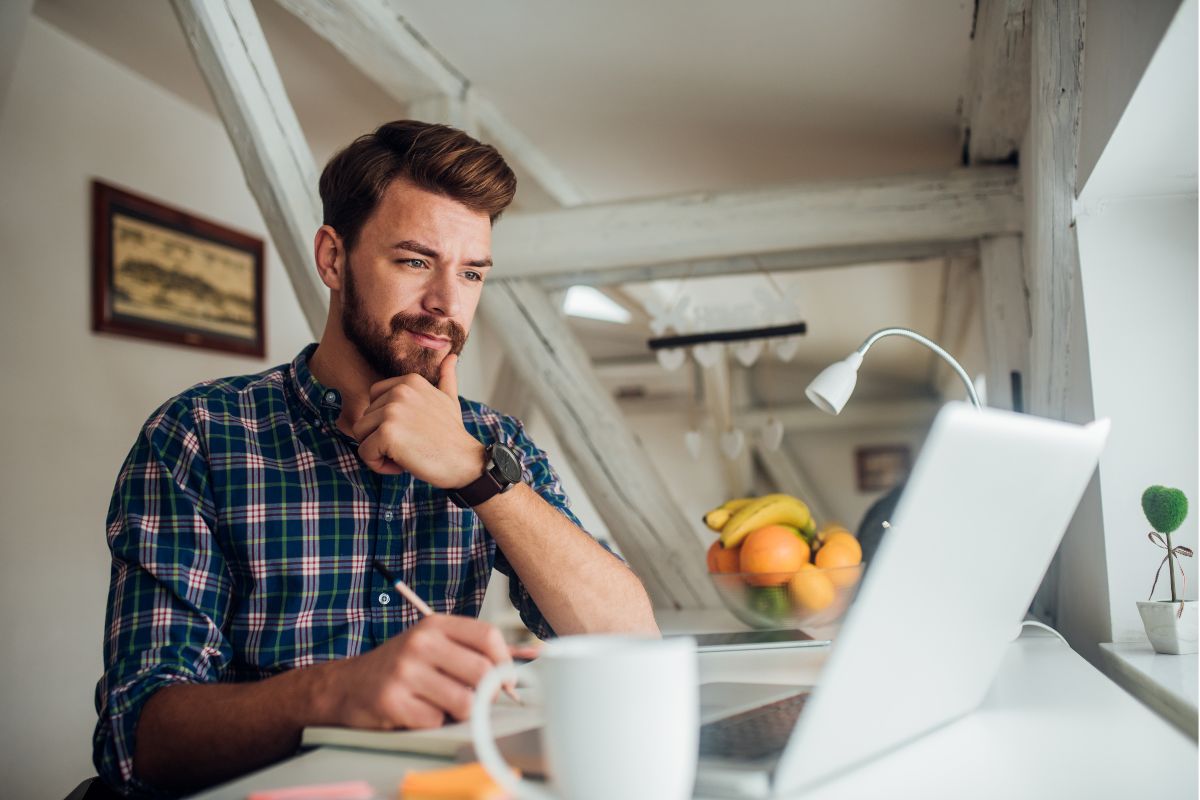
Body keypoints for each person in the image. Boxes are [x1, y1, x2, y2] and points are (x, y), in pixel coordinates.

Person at [93, 120, 659, 797]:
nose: (447, 303)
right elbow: (138, 741)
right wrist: (335, 691)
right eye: (416, 261)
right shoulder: (201, 434)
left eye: (471, 272)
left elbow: (630, 638)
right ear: (333, 259)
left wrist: (477, 472)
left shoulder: (493, 443)